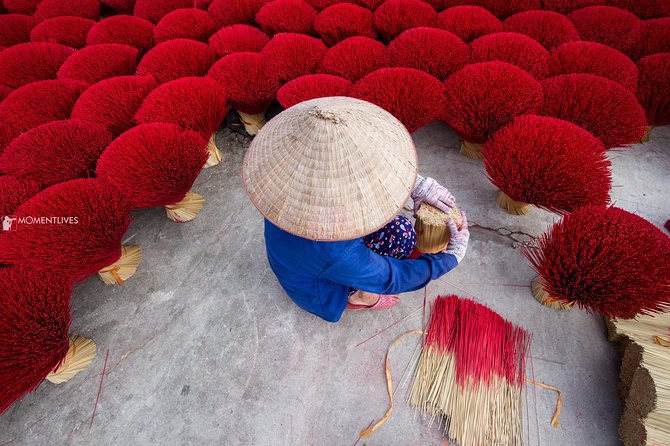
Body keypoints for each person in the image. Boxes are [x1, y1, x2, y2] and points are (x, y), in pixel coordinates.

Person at [242, 97, 469, 322]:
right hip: (318, 288)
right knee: (400, 241)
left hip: (301, 255)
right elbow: (390, 278)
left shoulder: (288, 179)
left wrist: (416, 184)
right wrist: (448, 259)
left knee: (400, 229)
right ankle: (362, 296)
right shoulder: (335, 251)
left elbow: (365, 160)